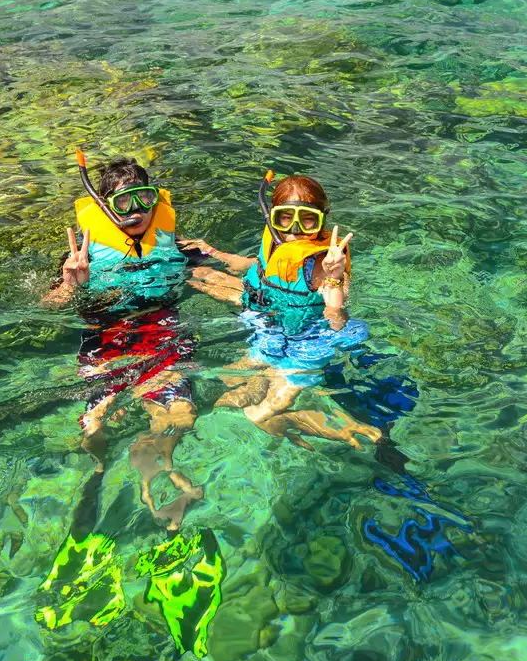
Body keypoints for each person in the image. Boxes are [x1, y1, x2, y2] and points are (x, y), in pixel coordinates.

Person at [44, 152, 208, 527]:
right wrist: (71, 284)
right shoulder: (80, 257)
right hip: (107, 339)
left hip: (161, 330)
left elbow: (233, 267)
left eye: (144, 198)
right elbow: (49, 304)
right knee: (95, 426)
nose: (136, 211)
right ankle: (104, 469)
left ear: (156, 199)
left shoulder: (177, 245)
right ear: (104, 208)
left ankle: (158, 467)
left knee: (183, 415)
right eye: (122, 201)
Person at [191, 173, 380, 447]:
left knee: (258, 413)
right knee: (230, 384)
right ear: (272, 217)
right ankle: (269, 401)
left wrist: (335, 275)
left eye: (307, 219)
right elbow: (261, 266)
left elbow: (336, 315)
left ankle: (311, 422)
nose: (295, 229)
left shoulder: (323, 262)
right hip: (270, 327)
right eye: (285, 217)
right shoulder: (275, 242)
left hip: (308, 343)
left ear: (321, 219)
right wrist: (216, 254)